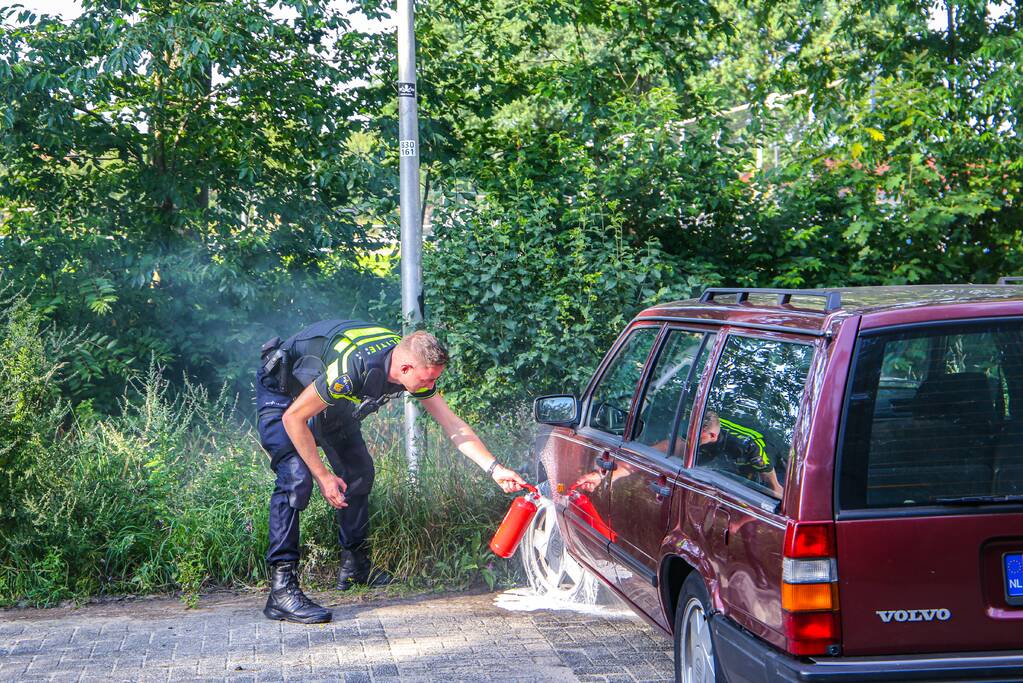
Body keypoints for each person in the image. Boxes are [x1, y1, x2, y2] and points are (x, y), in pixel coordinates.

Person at [256, 320, 526, 624]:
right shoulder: (353, 369)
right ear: (406, 368)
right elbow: (294, 419)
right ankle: (281, 591)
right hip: (284, 390)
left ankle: (355, 568)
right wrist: (323, 476)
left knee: (359, 471)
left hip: (326, 396)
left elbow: (453, 425)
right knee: (296, 478)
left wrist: (494, 468)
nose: (431, 385)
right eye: (428, 379)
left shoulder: (409, 362)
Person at [697, 411, 784, 497]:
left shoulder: (743, 446)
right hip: (725, 451)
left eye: (698, 437)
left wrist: (775, 487)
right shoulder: (703, 424)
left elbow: (767, 469)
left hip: (767, 450)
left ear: (712, 435)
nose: (693, 437)